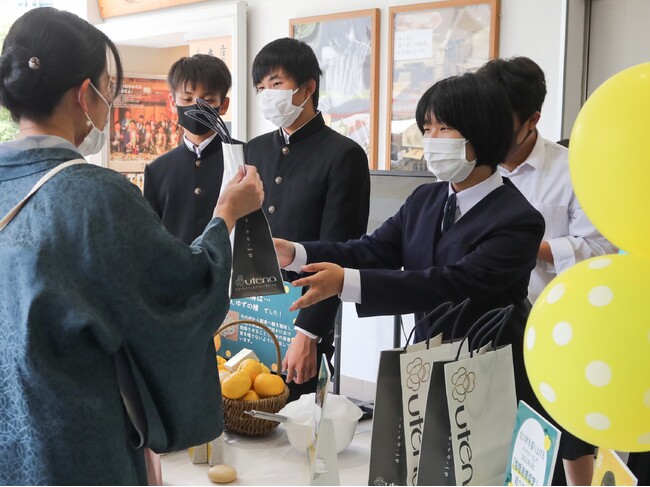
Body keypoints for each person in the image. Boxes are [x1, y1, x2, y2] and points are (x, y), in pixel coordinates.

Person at [0, 7, 263, 485]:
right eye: (106, 86)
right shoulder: (95, 195)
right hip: (72, 439)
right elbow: (183, 290)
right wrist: (226, 213)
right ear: (85, 94)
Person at [273, 72, 545, 412]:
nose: (432, 139)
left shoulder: (518, 219)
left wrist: (346, 282)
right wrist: (296, 253)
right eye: (427, 129)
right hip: (428, 368)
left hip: (489, 376)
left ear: (483, 131)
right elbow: (373, 250)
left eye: (444, 129)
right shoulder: (425, 199)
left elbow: (453, 284)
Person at [478, 56, 617, 486]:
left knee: (554, 447)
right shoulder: (472, 168)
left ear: (532, 119)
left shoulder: (573, 169)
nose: (485, 131)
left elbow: (599, 249)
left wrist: (522, 249)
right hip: (484, 332)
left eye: (498, 120)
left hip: (555, 331)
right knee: (487, 448)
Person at [246, 37, 370, 399]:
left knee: (293, 425)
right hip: (252, 307)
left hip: (303, 313)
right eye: (261, 87)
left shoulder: (343, 155)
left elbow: (340, 249)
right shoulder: (254, 149)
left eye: (276, 84)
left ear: (308, 87)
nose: (267, 93)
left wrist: (309, 333)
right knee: (242, 410)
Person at [144, 54, 235, 245]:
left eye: (207, 101)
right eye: (186, 99)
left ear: (224, 105)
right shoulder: (157, 170)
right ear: (172, 102)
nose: (195, 107)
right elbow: (151, 237)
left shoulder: (244, 156)